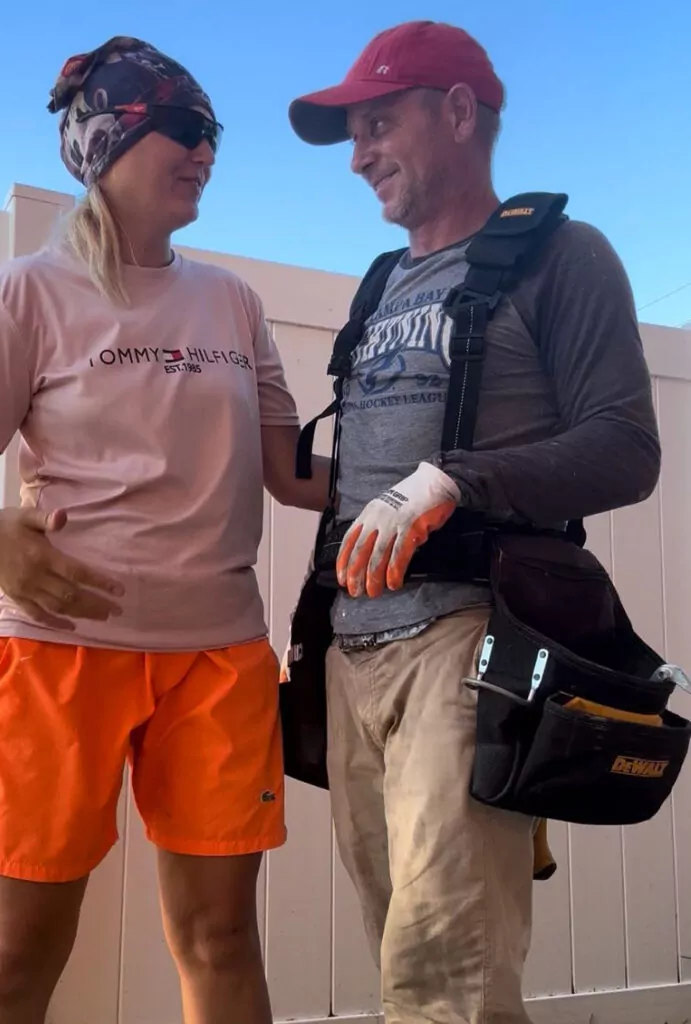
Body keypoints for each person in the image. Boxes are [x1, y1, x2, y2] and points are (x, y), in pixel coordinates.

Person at [0, 35, 329, 1024]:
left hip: (218, 661)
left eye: (213, 133)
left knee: (222, 941)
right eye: (183, 126)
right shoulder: (25, 293)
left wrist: (437, 483)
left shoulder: (233, 302)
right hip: (55, 655)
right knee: (12, 957)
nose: (206, 150)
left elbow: (293, 473)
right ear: (105, 142)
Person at [287, 20, 661, 1024]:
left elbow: (626, 448)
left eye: (377, 124)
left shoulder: (561, 255)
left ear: (458, 112)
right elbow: (362, 490)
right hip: (351, 656)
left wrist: (451, 481)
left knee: (444, 980)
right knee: (402, 956)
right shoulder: (380, 283)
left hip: (466, 645)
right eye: (352, 134)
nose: (358, 155)